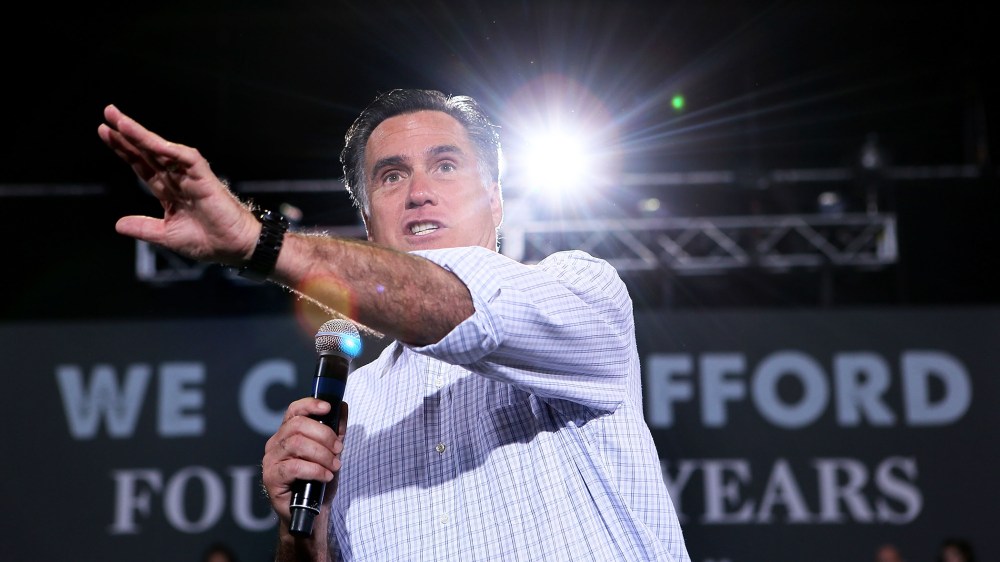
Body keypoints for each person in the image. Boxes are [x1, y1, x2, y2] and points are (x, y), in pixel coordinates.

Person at [99, 88, 690, 562]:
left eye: (446, 165)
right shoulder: (347, 407)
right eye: (390, 176)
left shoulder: (582, 293)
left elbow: (456, 302)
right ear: (368, 218)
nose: (418, 193)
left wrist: (260, 243)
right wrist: (301, 537)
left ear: (497, 200)